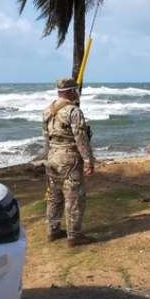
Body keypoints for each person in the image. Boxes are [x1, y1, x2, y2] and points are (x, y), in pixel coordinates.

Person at [42, 77, 96, 247]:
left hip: (52, 157)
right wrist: (88, 159)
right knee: (74, 197)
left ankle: (53, 230)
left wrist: (47, 155)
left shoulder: (47, 110)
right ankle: (74, 236)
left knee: (54, 196)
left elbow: (46, 137)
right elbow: (80, 138)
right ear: (72, 91)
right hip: (69, 157)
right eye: (76, 90)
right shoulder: (73, 111)